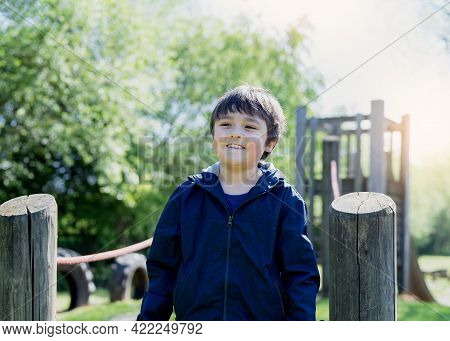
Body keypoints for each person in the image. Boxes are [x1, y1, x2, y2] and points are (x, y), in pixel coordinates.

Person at [137, 85, 320, 321]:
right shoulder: (186, 196)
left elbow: (300, 276)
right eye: (226, 125)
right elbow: (163, 270)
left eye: (249, 126)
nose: (236, 133)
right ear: (214, 137)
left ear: (269, 144)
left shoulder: (285, 200)